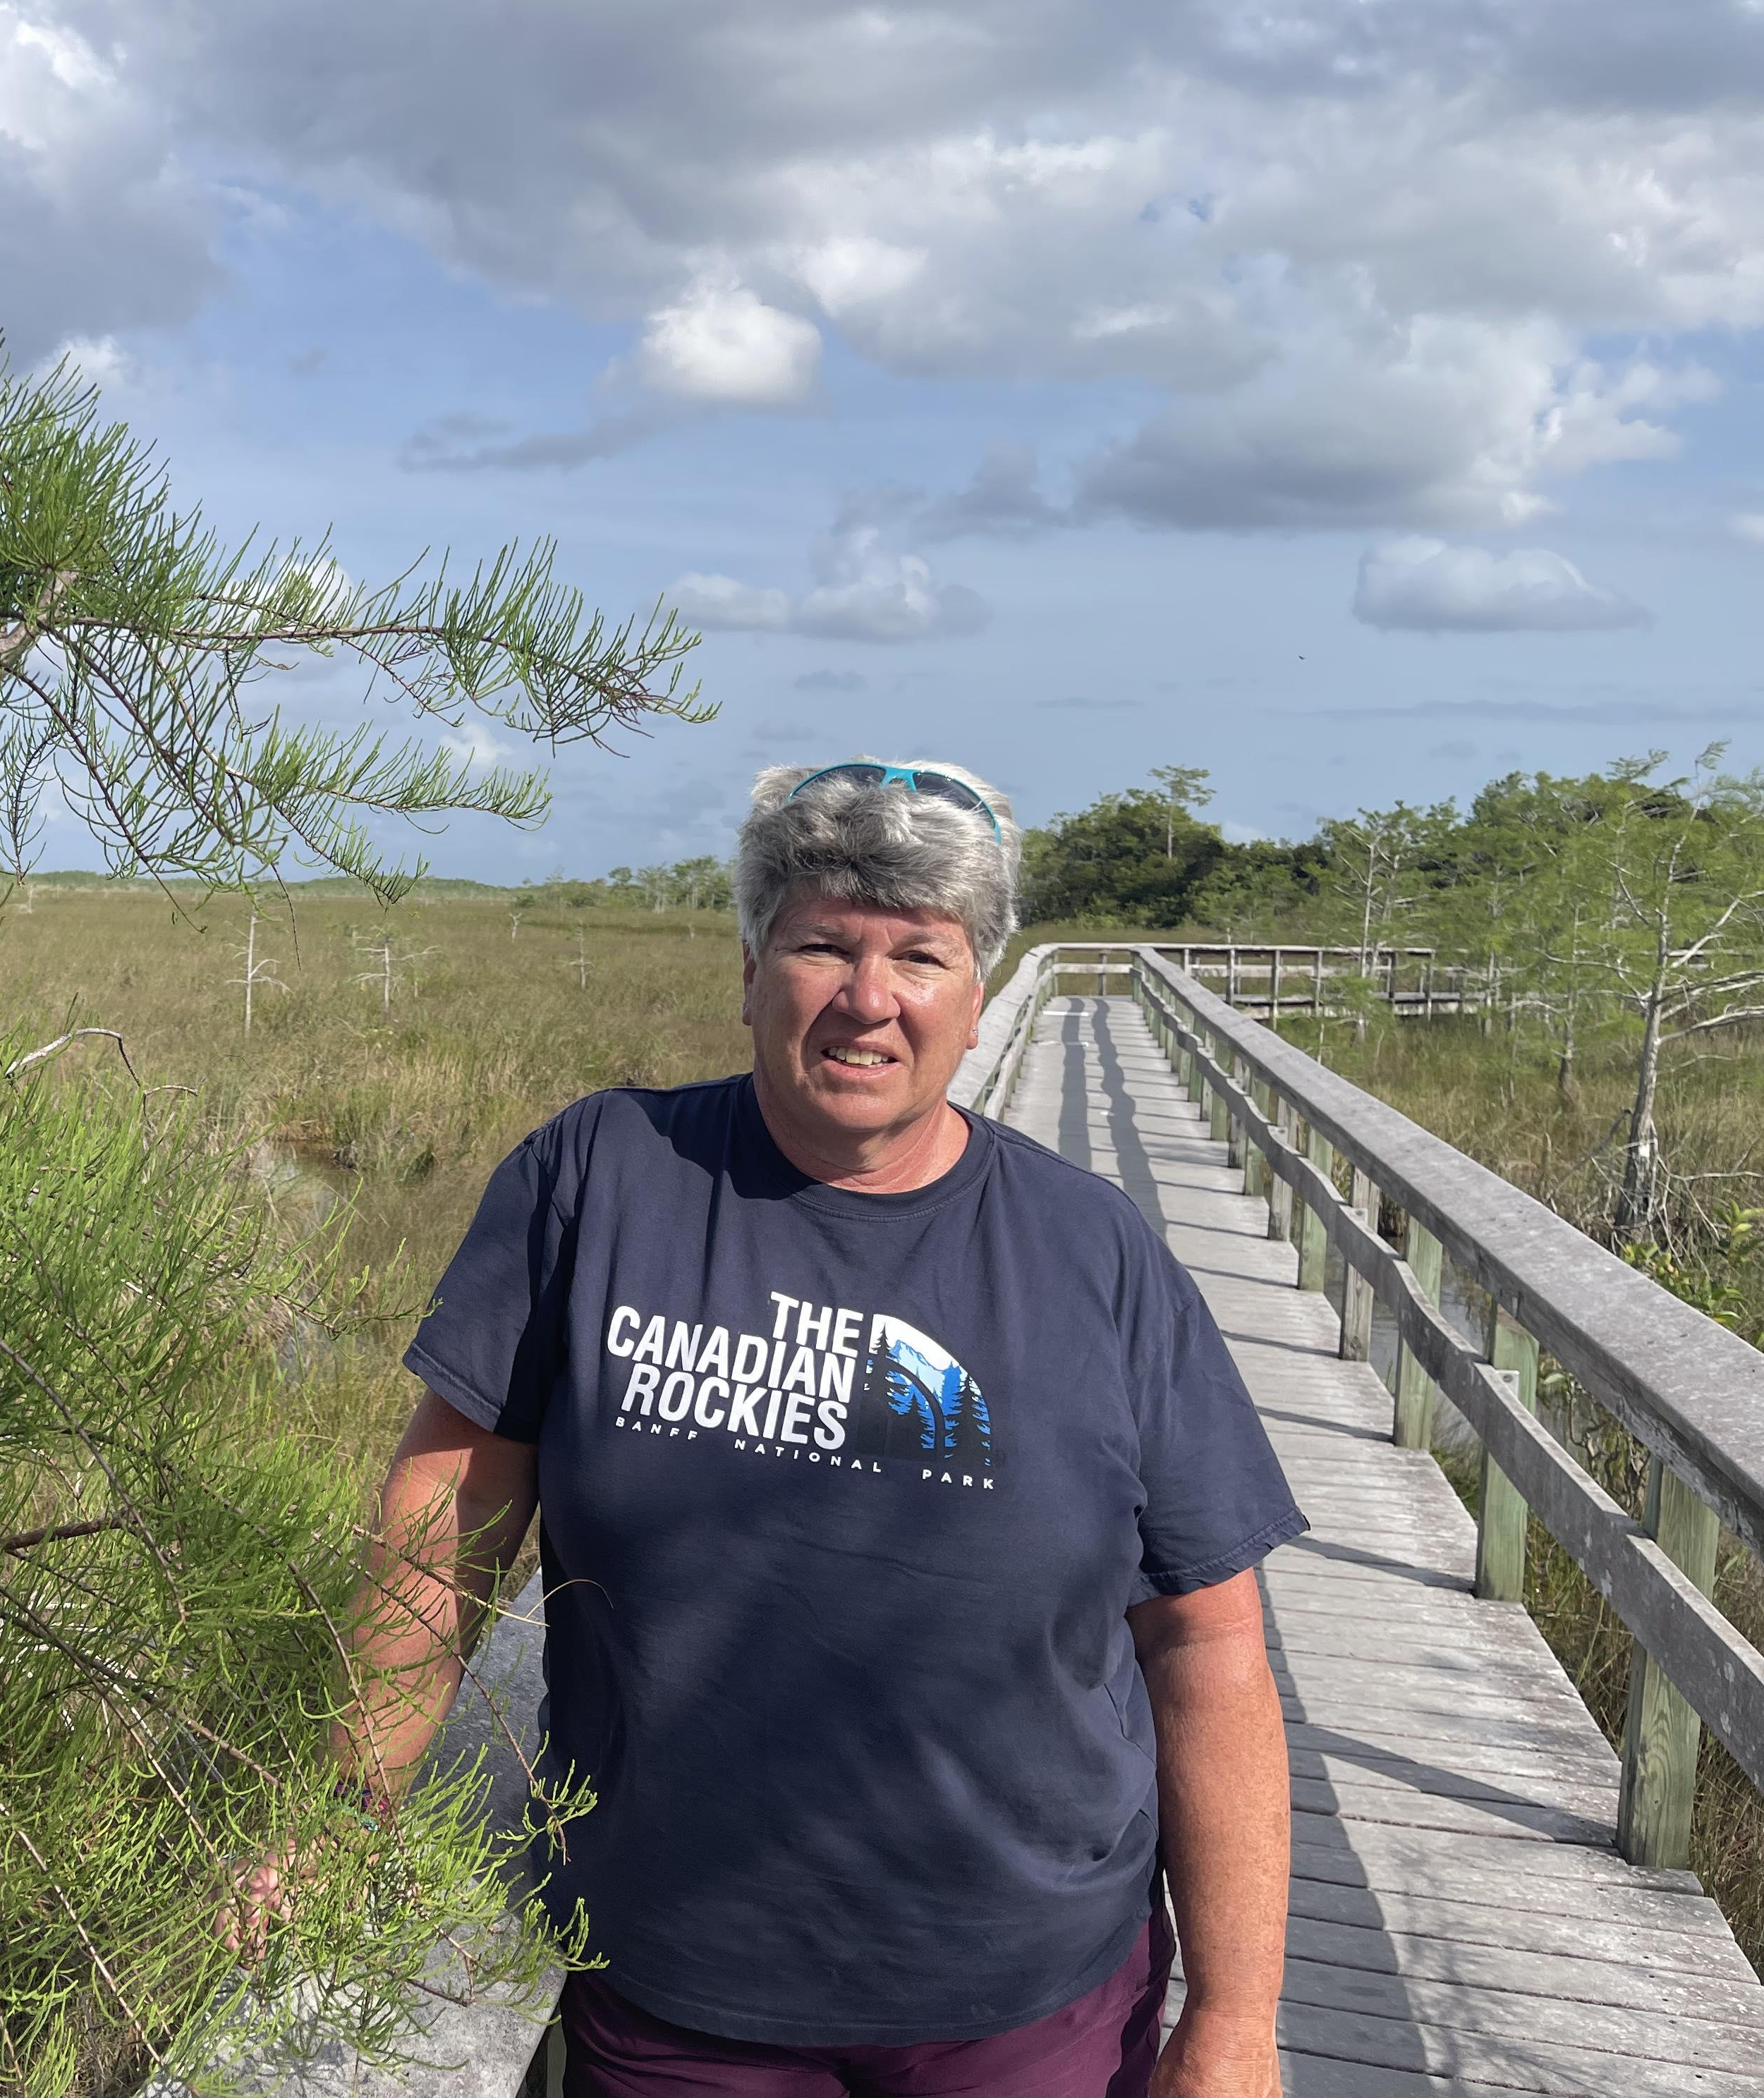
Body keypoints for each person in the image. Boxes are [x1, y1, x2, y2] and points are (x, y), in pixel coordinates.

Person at [260, 760, 1304, 2098]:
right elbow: (450, 1517)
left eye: (920, 956)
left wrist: (1234, 2021)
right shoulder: (600, 1180)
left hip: (1024, 1991)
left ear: (977, 998)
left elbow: (1208, 1645)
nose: (870, 998)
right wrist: (348, 1810)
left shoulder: (1094, 1255)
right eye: (824, 944)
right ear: (752, 966)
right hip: (679, 1982)